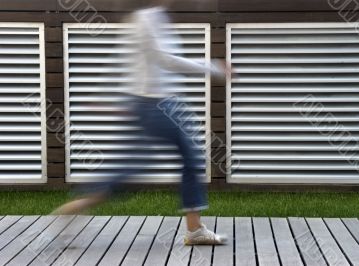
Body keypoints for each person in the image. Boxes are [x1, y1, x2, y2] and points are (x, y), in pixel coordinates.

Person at [52, 0, 231, 245]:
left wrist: (110, 98)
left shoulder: (143, 19)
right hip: (161, 106)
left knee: (130, 169)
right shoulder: (148, 18)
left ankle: (76, 206)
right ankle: (194, 229)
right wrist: (212, 68)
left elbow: (121, 62)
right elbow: (163, 60)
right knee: (191, 159)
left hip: (148, 104)